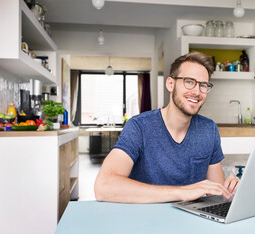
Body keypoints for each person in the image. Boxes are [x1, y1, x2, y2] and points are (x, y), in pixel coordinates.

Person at [94, 52, 239, 203]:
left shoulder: (209, 130)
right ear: (171, 84)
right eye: (189, 82)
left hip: (192, 222)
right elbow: (104, 187)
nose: (197, 92)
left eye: (203, 85)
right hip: (146, 222)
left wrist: (230, 190)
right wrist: (182, 192)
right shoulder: (139, 127)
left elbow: (216, 194)